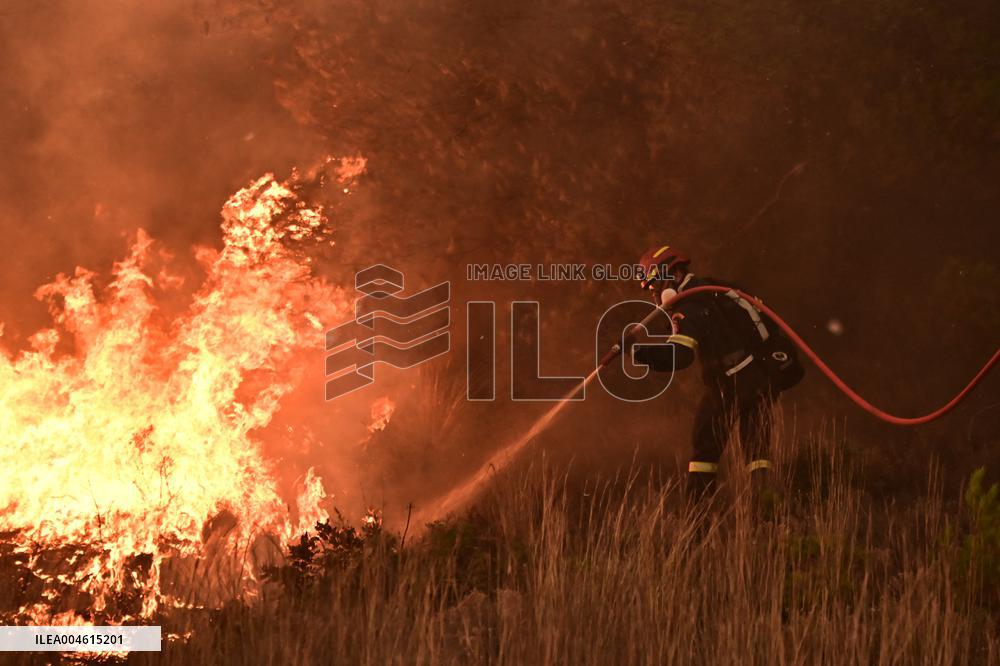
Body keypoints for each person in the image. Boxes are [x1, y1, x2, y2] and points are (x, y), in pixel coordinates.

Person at [628, 244, 804, 501]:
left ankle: (697, 514)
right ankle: (765, 510)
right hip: (759, 376)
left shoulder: (689, 307)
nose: (655, 295)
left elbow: (680, 356)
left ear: (674, 274)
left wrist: (637, 353)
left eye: (656, 286)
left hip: (730, 383)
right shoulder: (713, 288)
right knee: (756, 449)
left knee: (705, 447)